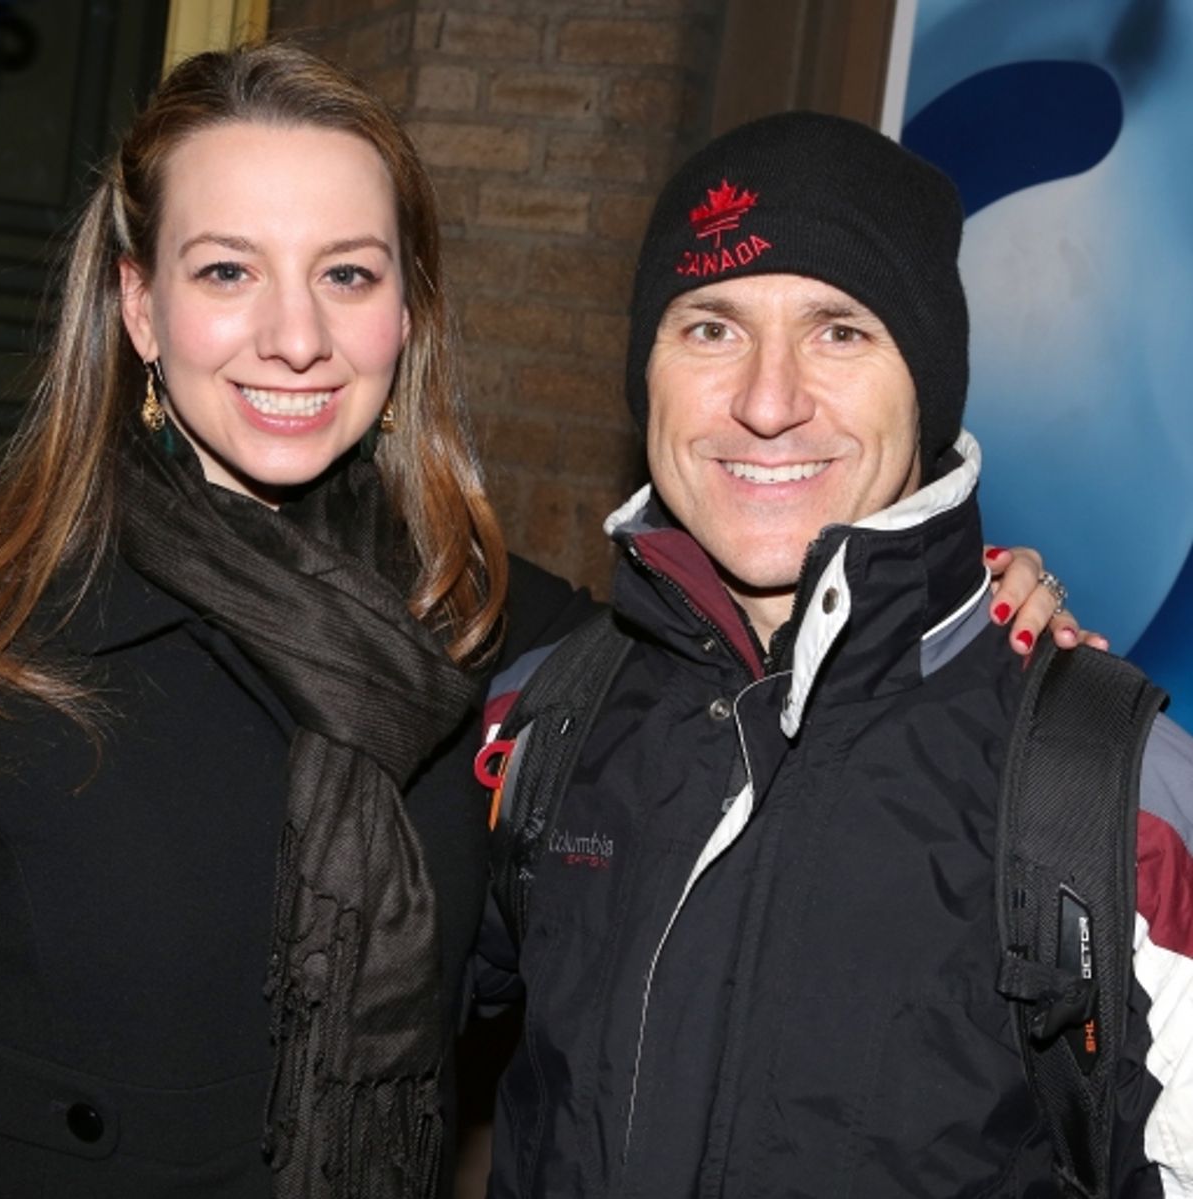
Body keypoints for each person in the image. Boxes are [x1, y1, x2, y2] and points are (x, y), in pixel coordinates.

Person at [0, 44, 1076, 1199]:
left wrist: (967, 599)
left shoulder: (501, 631)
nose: (295, 337)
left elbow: (756, 644)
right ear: (139, 305)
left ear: (404, 312)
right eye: (227, 270)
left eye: (346, 274)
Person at [479, 112, 1193, 1196]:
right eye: (710, 327)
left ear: (927, 385)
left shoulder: (1117, 802)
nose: (767, 403)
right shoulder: (534, 726)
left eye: (840, 331)